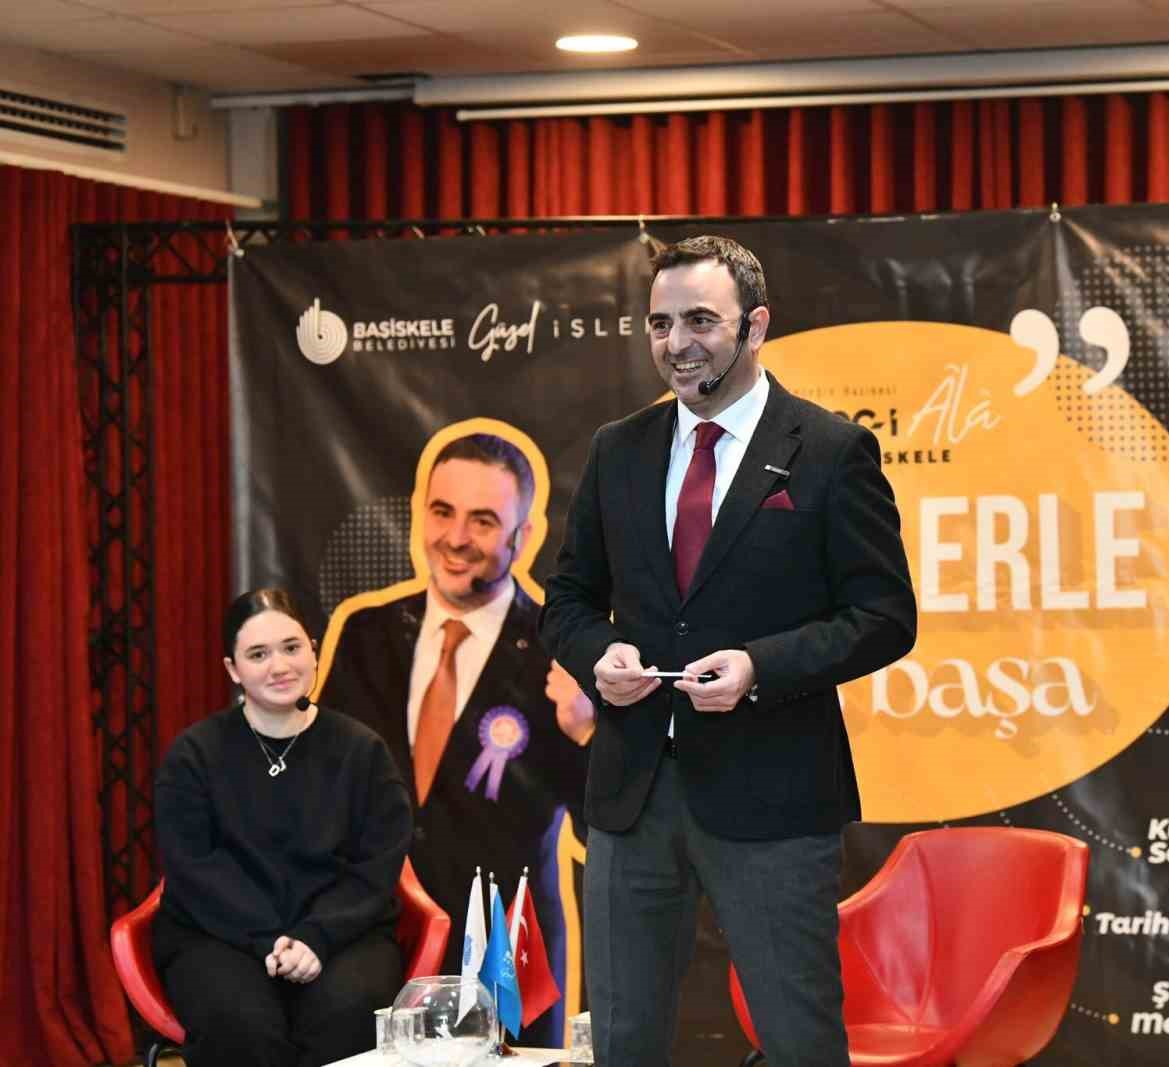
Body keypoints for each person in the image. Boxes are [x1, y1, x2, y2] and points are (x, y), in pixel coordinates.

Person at [540, 235, 917, 1066]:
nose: (677, 343)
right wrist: (599, 655)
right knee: (624, 1044)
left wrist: (759, 668)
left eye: (701, 321)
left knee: (798, 1043)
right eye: (660, 323)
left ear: (756, 325)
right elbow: (566, 599)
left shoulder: (829, 451)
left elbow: (886, 616)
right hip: (632, 796)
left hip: (774, 796)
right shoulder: (617, 449)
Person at [319, 430, 592, 1047]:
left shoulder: (562, 649)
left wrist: (585, 731)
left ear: (524, 536)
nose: (456, 537)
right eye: (442, 512)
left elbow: (600, 825)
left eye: (483, 521)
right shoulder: (365, 634)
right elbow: (321, 786)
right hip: (373, 941)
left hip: (505, 953)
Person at [152, 588, 412, 1067]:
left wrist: (316, 936)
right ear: (233, 669)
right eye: (258, 654)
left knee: (348, 1011)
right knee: (241, 1024)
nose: (280, 666)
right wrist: (268, 940)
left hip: (343, 934)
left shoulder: (363, 753)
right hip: (220, 934)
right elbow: (194, 870)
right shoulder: (194, 756)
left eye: (292, 648)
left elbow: (374, 869)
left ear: (312, 650)